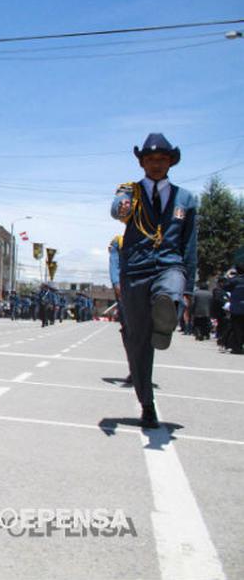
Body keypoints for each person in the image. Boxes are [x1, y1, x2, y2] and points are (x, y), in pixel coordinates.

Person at [111, 133, 198, 429]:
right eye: (150, 159)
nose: (156, 164)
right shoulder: (131, 192)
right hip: (136, 271)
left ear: (171, 162)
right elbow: (117, 206)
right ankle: (147, 404)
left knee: (170, 287)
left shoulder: (186, 199)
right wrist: (121, 209)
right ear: (142, 163)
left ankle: (167, 315)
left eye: (162, 159)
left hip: (169, 264)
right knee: (138, 343)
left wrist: (188, 291)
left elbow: (190, 246)